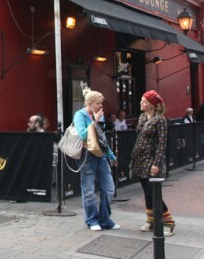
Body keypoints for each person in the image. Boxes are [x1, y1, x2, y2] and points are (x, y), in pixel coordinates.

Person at [130, 90, 176, 237]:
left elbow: (162, 143)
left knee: (154, 192)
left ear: (152, 105)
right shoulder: (142, 117)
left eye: (144, 101)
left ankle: (168, 222)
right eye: (142, 101)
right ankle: (151, 220)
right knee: (147, 193)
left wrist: (156, 163)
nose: (141, 103)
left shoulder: (160, 120)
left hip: (151, 160)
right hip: (140, 160)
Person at [73, 87, 120, 231]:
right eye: (98, 103)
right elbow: (82, 134)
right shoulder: (80, 115)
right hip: (86, 155)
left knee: (109, 188)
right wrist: (95, 121)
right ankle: (92, 220)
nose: (101, 106)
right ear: (89, 103)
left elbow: (102, 139)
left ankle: (105, 219)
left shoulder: (100, 115)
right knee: (88, 190)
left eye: (101, 103)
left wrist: (111, 155)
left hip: (100, 155)